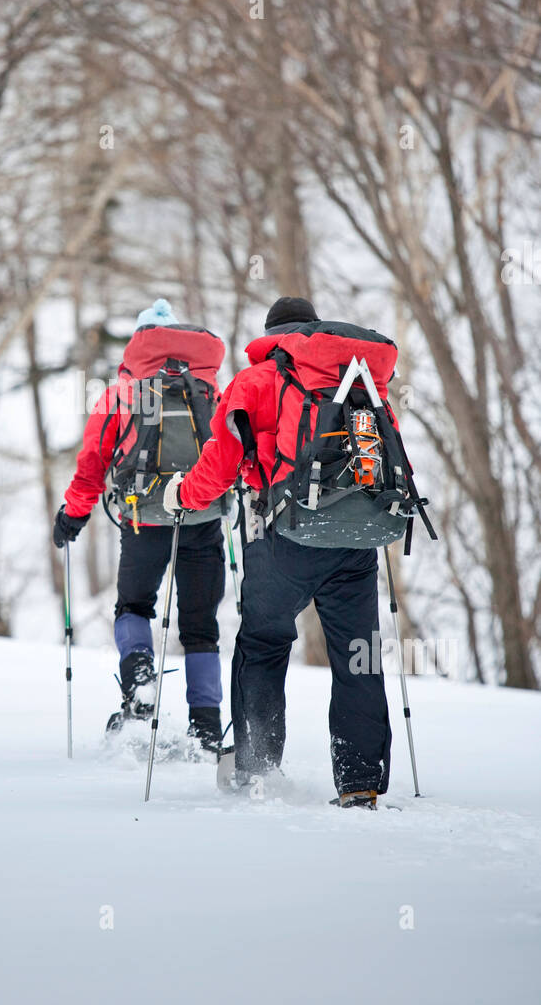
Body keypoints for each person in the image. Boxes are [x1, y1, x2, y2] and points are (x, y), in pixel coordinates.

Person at [162, 296, 393, 808]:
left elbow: (220, 464)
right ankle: (360, 786)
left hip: (282, 537)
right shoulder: (356, 377)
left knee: (263, 644)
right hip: (356, 539)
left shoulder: (257, 381)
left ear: (271, 333)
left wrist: (182, 495)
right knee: (359, 658)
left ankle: (257, 768)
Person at [53, 299, 227, 753]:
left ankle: (140, 685)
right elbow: (235, 452)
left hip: (143, 518)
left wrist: (73, 514)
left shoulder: (120, 395)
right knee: (201, 626)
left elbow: (92, 464)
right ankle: (207, 727)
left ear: (137, 344)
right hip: (203, 518)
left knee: (133, 606)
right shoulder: (210, 391)